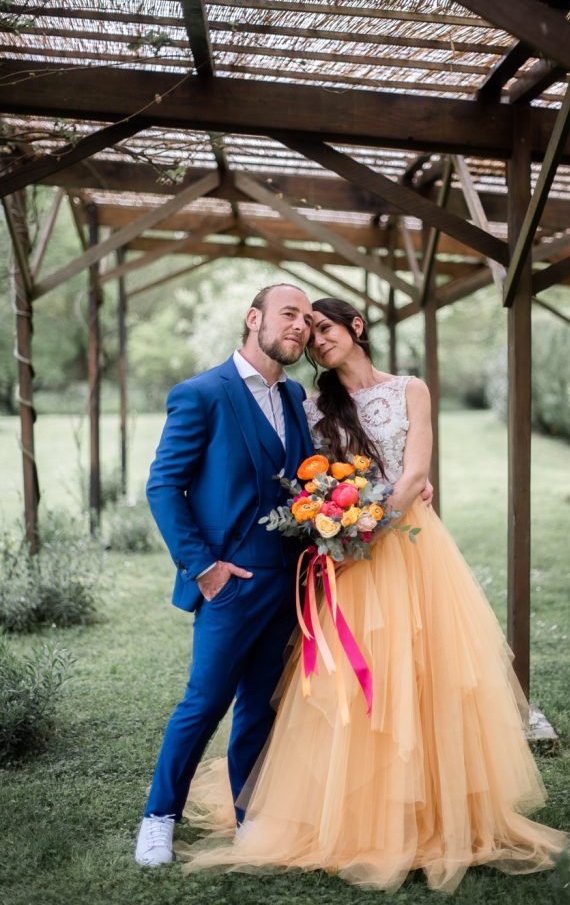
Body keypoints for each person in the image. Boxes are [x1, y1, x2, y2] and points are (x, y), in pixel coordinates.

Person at [179, 296, 570, 892]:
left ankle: (430, 809)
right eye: (309, 332)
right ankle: (349, 811)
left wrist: (365, 528)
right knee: (351, 680)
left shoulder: (410, 389)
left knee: (426, 674)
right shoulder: (310, 402)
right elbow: (302, 477)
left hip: (409, 549)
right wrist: (335, 535)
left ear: (357, 327)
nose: (318, 340)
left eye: (326, 328)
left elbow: (417, 472)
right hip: (345, 561)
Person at [134, 284, 316, 866]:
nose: (300, 327)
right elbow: (163, 486)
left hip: (288, 581)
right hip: (229, 582)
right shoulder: (201, 394)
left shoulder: (294, 397)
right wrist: (205, 569)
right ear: (253, 318)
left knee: (261, 705)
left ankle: (249, 818)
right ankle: (159, 817)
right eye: (289, 314)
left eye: (307, 321)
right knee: (205, 700)